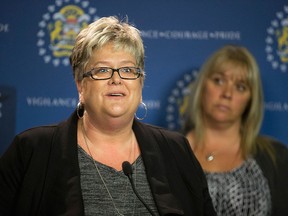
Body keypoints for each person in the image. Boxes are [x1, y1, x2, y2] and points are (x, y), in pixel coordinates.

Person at [0, 16, 216, 216]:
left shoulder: (177, 150)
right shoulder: (31, 150)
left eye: (128, 70)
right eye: (102, 70)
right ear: (80, 84)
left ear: (140, 83)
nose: (116, 79)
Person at [181, 44, 288, 215]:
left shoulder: (277, 158)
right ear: (202, 87)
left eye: (240, 87)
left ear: (250, 100)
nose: (227, 93)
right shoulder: (168, 152)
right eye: (219, 80)